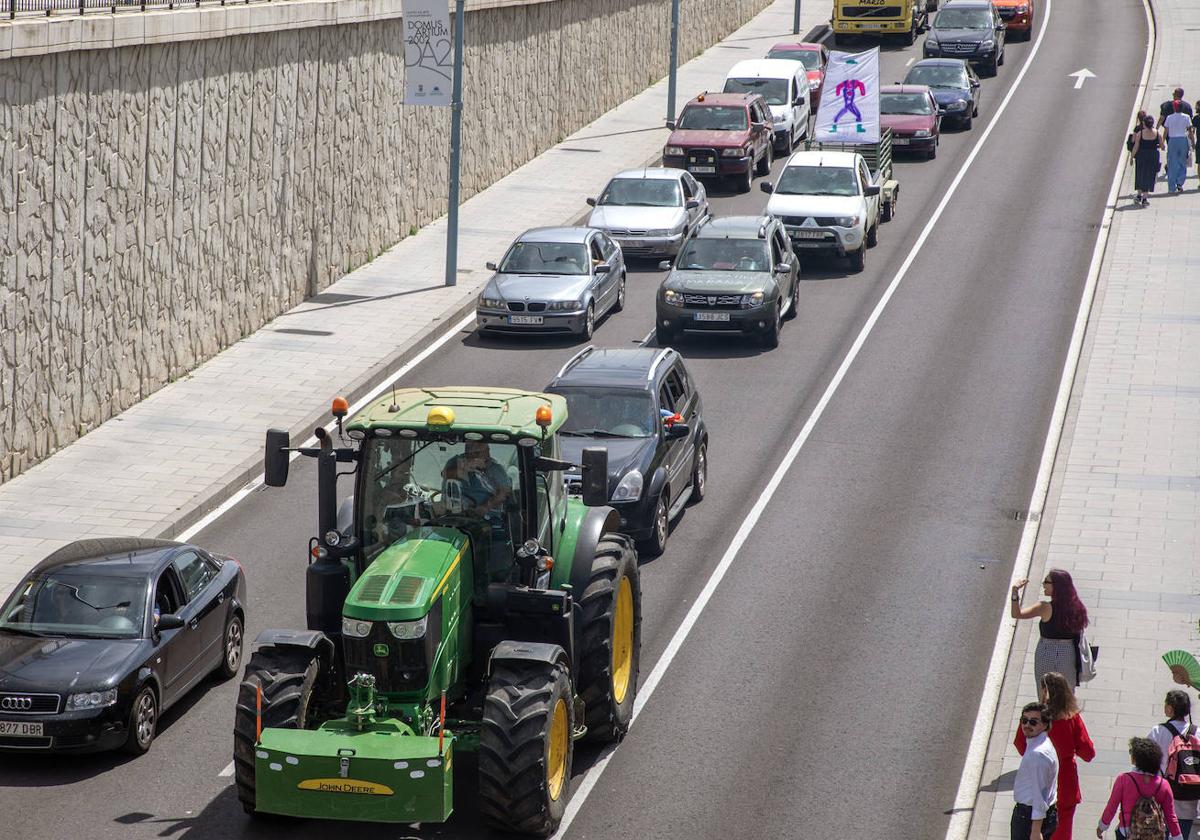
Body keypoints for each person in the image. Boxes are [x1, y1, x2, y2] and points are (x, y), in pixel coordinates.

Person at [1017, 672, 1096, 839]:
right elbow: (1088, 753)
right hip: (1066, 781)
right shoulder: (1072, 718)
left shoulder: (1033, 720)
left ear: (1045, 691)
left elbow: (1020, 745)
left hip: (1038, 781)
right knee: (1062, 831)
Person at [1011, 569, 1090, 690]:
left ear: (1056, 586)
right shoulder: (1077, 608)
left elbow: (1017, 614)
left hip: (1046, 652)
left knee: (1045, 692)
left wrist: (1015, 592)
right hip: (1068, 653)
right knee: (1066, 693)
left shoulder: (1044, 607)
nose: (1043, 584)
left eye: (1046, 582)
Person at [1096, 737, 1183, 839]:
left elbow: (1112, 807)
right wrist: (1177, 836)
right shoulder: (1163, 784)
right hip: (1154, 834)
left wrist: (1102, 827)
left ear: (1135, 759)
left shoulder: (1124, 779)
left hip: (1127, 832)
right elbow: (1170, 816)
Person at [1148, 691, 1198, 839]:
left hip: (1162, 796)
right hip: (1189, 797)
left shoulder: (1158, 731)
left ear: (1170, 709)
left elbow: (1145, 762)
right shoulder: (1198, 732)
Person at [1014, 701, 1060, 840]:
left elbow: (1040, 794)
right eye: (1024, 720)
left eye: (1033, 722)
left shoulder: (1037, 754)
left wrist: (1035, 831)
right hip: (1040, 814)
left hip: (1029, 818)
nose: (1027, 725)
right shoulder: (1041, 743)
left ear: (1045, 725)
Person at [1131, 114, 1165, 206]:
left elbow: (1136, 146)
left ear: (1144, 124)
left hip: (1142, 155)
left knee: (1140, 173)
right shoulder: (1157, 133)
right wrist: (1161, 146)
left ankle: (1139, 194)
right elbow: (1162, 146)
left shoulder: (1140, 133)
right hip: (1153, 155)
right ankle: (1145, 197)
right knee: (1150, 175)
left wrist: (1131, 157)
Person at [1163, 100, 1195, 193]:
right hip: (1183, 140)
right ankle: (1180, 182)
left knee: (1172, 163)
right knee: (1182, 162)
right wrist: (1193, 142)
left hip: (1172, 140)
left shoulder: (1169, 117)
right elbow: (1190, 131)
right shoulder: (1186, 117)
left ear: (1174, 108)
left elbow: (1166, 131)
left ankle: (1171, 186)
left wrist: (1162, 143)